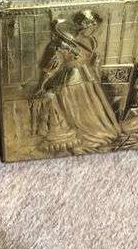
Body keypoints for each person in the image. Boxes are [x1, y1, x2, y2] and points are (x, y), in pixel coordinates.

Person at [32, 10, 120, 154]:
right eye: (90, 24)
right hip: (70, 81)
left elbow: (91, 62)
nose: (93, 28)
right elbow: (50, 67)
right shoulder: (61, 43)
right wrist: (41, 85)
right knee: (77, 112)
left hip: (87, 80)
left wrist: (95, 65)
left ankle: (97, 131)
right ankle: (85, 134)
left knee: (94, 109)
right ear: (83, 24)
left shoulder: (91, 41)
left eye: (94, 25)